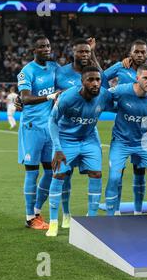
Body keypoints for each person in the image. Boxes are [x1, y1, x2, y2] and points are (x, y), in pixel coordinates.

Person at [47, 66, 113, 236]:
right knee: (59, 175)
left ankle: (92, 220)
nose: (95, 83)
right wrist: (58, 148)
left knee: (97, 174)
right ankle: (54, 221)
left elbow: (120, 103)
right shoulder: (68, 97)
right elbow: (52, 122)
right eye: (90, 80)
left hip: (89, 139)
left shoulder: (104, 94)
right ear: (82, 82)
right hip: (66, 140)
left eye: (98, 80)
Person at [104, 64, 147, 215]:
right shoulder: (122, 90)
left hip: (145, 143)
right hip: (121, 142)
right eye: (146, 78)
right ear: (137, 78)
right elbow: (103, 96)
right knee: (114, 178)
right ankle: (110, 216)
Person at [54, 38, 101, 226]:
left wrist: (94, 52)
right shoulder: (61, 72)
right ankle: (65, 214)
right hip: (65, 128)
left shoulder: (94, 73)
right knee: (64, 175)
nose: (84, 55)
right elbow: (47, 90)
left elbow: (103, 81)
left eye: (87, 52)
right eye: (81, 51)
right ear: (72, 52)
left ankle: (91, 219)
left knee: (94, 173)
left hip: (88, 131)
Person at [17, 35, 60, 230]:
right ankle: (29, 218)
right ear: (34, 50)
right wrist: (49, 96)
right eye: (42, 47)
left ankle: (36, 210)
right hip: (32, 127)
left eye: (48, 46)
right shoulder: (27, 71)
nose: (46, 49)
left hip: (49, 127)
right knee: (32, 172)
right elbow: (25, 98)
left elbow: (72, 76)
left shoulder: (54, 68)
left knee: (51, 172)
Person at [102, 40, 147, 215]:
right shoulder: (121, 67)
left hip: (143, 131)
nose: (139, 55)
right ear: (130, 53)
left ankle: (137, 211)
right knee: (118, 173)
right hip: (123, 128)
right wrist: (110, 99)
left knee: (139, 172)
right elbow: (101, 77)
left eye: (142, 52)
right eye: (136, 52)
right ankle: (115, 210)